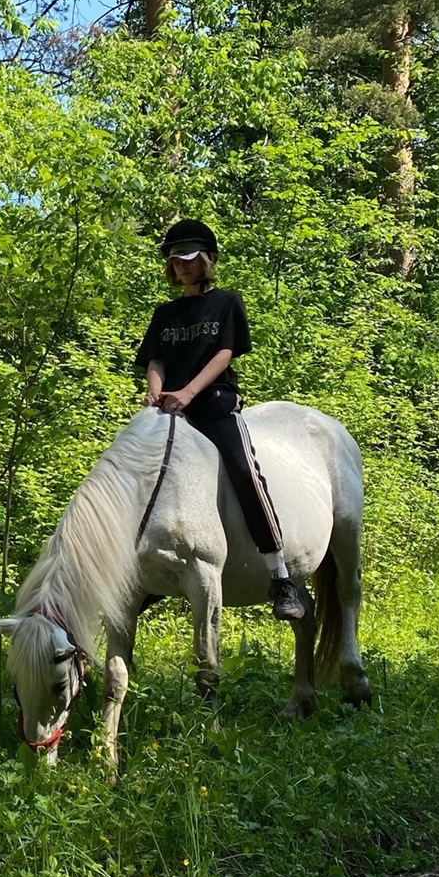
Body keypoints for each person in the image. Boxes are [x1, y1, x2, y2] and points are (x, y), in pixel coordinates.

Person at [135, 219, 305, 621]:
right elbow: (155, 358)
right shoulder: (165, 313)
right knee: (130, 478)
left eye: (190, 259)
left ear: (208, 259)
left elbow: (224, 354)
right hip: (167, 414)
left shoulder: (227, 302)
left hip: (212, 404)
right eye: (176, 260)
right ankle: (138, 575)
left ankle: (279, 575)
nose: (182, 266)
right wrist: (155, 389)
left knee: (245, 472)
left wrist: (189, 393)